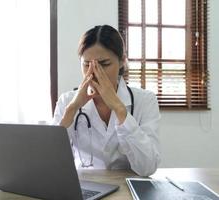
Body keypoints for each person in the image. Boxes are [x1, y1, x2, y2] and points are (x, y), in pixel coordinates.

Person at [52, 25, 160, 176]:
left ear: (122, 61)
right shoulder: (67, 101)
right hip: (85, 188)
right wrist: (72, 110)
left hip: (128, 188)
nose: (94, 72)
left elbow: (148, 167)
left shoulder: (145, 100)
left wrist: (119, 109)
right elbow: (50, 164)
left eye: (104, 64)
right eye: (87, 64)